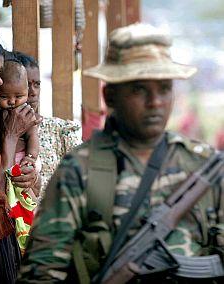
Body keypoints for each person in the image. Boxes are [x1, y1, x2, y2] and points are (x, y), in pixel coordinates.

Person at [18, 23, 224, 283]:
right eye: (139, 89)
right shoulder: (81, 170)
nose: (155, 102)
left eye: (164, 89)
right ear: (111, 95)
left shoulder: (203, 165)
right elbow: (42, 273)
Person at [0, 35, 41, 284]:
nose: (29, 95)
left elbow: (34, 188)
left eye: (35, 85)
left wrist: (31, 162)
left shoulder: (34, 125)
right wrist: (9, 136)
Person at [14, 51, 82, 200]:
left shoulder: (60, 131)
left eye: (37, 84)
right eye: (26, 85)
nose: (32, 92)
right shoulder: (6, 133)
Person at [0, 60, 40, 170]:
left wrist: (30, 157)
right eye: (4, 97)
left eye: (18, 96)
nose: (12, 101)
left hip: (22, 160)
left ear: (26, 91)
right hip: (3, 159)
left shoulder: (27, 114)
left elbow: (33, 137)